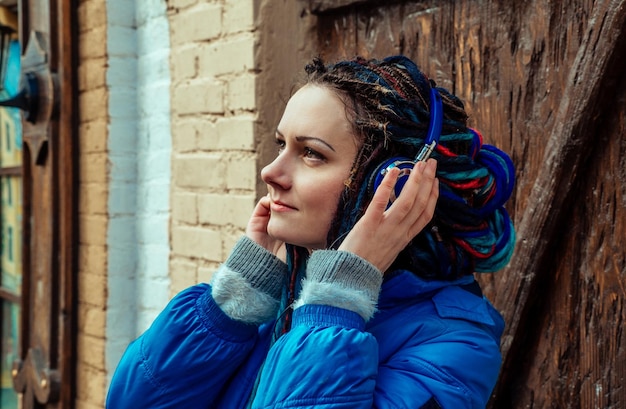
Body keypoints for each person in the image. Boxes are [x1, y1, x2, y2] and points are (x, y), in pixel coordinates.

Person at [106, 55, 515, 409]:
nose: (271, 172)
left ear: (393, 186)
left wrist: (338, 301)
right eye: (280, 144)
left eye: (311, 154)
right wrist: (230, 308)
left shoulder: (457, 348)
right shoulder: (281, 302)